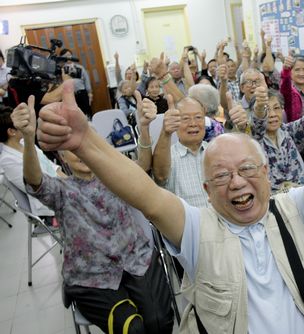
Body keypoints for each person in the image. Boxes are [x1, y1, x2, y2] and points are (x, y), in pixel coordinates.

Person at [35, 59, 304, 334]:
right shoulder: (196, 228)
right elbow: (146, 195)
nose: (237, 183)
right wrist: (85, 141)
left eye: (246, 171)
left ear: (265, 173)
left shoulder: (291, 210)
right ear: (206, 191)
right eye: (221, 176)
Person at [14, 92, 174, 334]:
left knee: (159, 322)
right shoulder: (61, 189)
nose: (80, 154)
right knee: (133, 329)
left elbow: (142, 167)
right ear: (62, 155)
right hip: (91, 276)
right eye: (71, 148)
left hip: (136, 259)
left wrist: (143, 127)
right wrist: (27, 137)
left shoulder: (114, 177)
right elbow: (34, 182)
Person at [0, 105, 62, 222]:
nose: (27, 125)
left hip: (59, 189)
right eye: (22, 124)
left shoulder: (25, 142)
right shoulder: (7, 160)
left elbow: (50, 166)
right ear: (11, 131)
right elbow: (37, 189)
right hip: (49, 205)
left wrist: (68, 180)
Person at [59, 48, 93, 118]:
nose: (68, 57)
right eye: (65, 56)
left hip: (82, 93)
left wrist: (90, 93)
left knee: (87, 113)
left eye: (69, 55)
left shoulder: (80, 67)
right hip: (70, 95)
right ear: (62, 57)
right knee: (75, 115)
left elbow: (86, 80)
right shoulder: (61, 70)